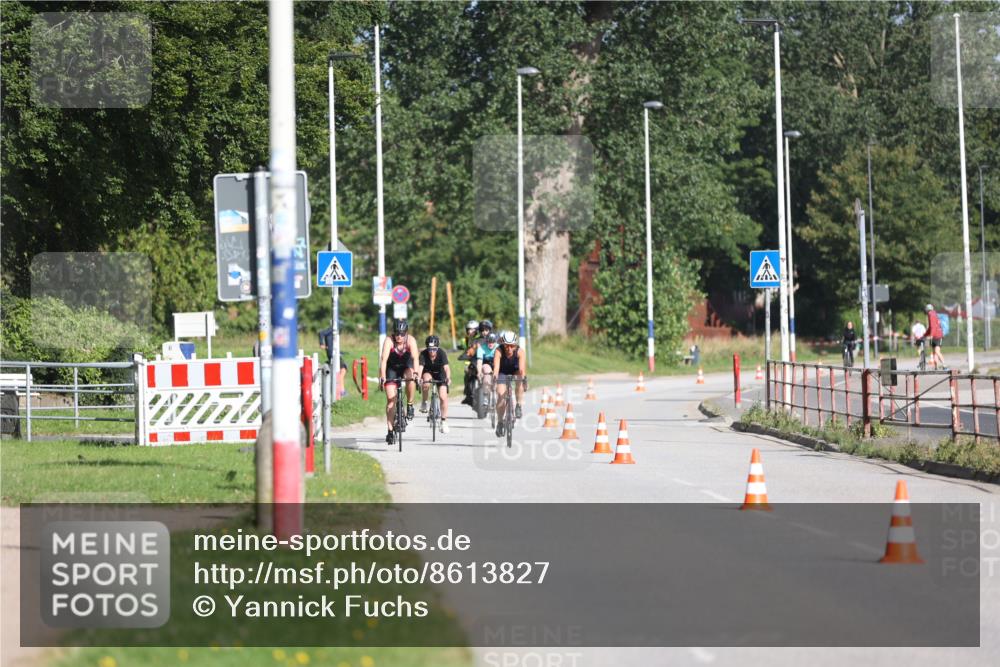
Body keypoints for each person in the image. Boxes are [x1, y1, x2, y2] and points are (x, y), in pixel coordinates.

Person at [378, 319, 420, 445]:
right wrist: (383, 376)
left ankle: (410, 404)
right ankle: (390, 431)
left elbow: (415, 358)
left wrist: (417, 373)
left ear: (406, 333)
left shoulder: (411, 340)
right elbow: (384, 360)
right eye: (397, 333)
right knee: (391, 400)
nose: (399, 336)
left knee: (411, 377)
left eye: (402, 334)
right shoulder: (389, 341)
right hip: (392, 369)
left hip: (406, 366)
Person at [493, 330, 527, 436]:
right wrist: (494, 377)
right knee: (500, 396)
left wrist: (524, 379)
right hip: (502, 372)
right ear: (503, 344)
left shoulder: (520, 352)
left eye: (511, 346)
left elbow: (521, 370)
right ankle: (500, 422)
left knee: (519, 382)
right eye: (506, 346)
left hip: (515, 370)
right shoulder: (498, 350)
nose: (509, 349)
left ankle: (518, 405)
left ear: (515, 345)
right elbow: (496, 368)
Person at [416, 335, 451, 434]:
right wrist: (419, 377)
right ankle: (424, 402)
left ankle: (444, 421)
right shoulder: (423, 354)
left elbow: (447, 368)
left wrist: (448, 377)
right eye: (430, 349)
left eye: (434, 349)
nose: (432, 352)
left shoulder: (442, 353)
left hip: (440, 374)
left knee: (443, 397)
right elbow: (420, 368)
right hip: (428, 372)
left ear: (437, 348)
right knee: (426, 381)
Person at [318, 325, 348, 398]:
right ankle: (340, 391)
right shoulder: (333, 328)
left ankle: (340, 390)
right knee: (343, 370)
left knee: (341, 371)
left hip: (334, 353)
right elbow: (321, 333)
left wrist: (340, 352)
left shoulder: (334, 330)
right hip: (333, 354)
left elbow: (332, 343)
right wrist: (322, 344)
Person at [458, 319, 480, 406]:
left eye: (472, 329)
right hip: (469, 361)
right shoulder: (465, 340)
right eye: (469, 329)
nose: (470, 331)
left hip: (479, 360)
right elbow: (463, 348)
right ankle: (467, 394)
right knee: (466, 372)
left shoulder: (480, 339)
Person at [922, 304, 946, 370]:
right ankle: (936, 367)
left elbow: (933, 326)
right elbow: (930, 327)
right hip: (936, 335)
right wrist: (925, 335)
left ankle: (944, 365)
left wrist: (931, 335)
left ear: (927, 309)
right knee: (935, 352)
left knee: (937, 351)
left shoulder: (931, 314)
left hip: (937, 335)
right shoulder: (934, 314)